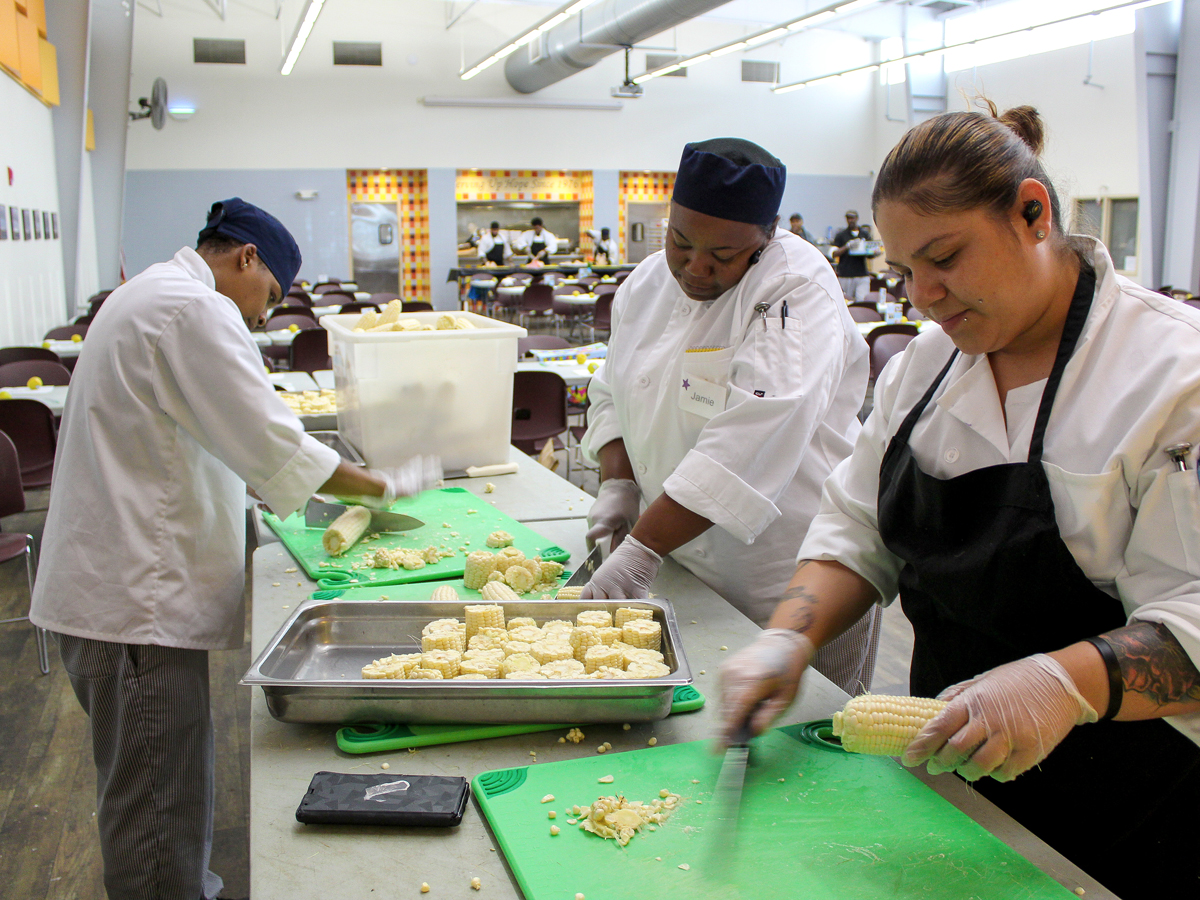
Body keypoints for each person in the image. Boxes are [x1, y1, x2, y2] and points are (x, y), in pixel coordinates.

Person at [719, 105, 1200, 899]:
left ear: (1032, 213)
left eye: (944, 258)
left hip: (1132, 808)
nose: (925, 295)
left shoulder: (1171, 376)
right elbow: (855, 528)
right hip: (952, 784)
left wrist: (1061, 685)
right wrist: (789, 638)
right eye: (904, 270)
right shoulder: (926, 368)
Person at [29, 198, 440, 900]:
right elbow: (265, 437)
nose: (265, 316)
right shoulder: (192, 309)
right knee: (154, 803)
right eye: (271, 297)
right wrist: (382, 487)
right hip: (134, 607)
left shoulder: (154, 293)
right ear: (245, 257)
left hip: (115, 592)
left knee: (162, 785)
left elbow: (190, 439)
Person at [581, 138, 878, 694]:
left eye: (722, 258)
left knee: (811, 750)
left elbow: (756, 435)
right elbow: (611, 389)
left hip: (788, 580)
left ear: (765, 240)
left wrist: (642, 550)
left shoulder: (793, 288)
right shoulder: (646, 283)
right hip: (686, 567)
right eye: (680, 242)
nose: (695, 267)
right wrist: (618, 483)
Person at [830, 209, 877, 300]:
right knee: (846, 301)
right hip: (846, 275)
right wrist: (847, 246)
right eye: (848, 218)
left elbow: (870, 255)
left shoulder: (865, 234)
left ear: (857, 218)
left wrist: (875, 252)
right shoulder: (841, 235)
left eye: (852, 218)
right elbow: (834, 253)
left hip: (861, 274)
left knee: (862, 300)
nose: (850, 220)